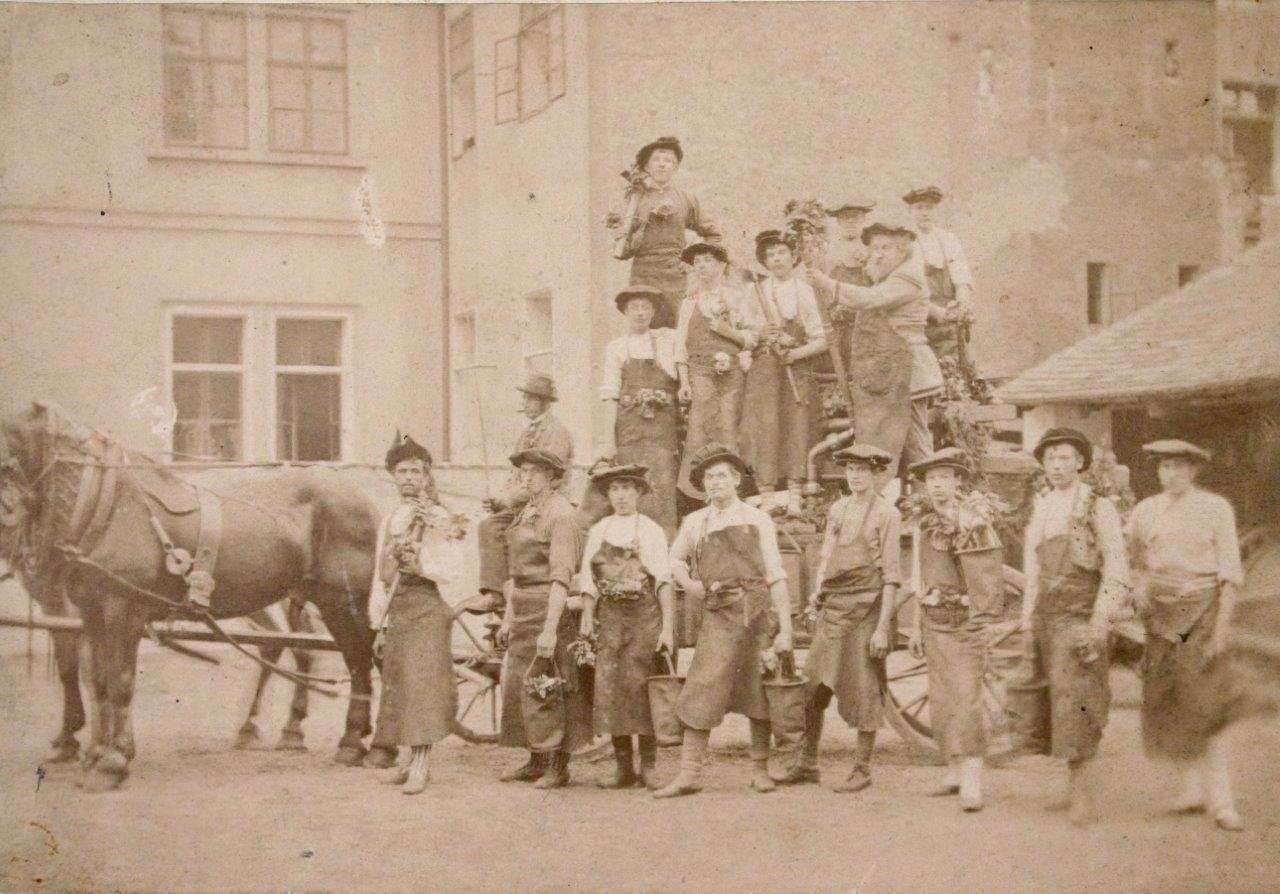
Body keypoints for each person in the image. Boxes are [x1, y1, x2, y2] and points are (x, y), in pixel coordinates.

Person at [654, 443, 794, 798]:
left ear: (736, 480)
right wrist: (690, 584)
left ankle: (759, 770)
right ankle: (689, 773)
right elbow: (674, 561)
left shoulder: (757, 519)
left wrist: (786, 629)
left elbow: (776, 575)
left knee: (758, 692)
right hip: (717, 616)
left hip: (756, 615)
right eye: (708, 477)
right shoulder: (696, 522)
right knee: (701, 688)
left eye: (721, 476)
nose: (714, 483)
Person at [1127, 439, 1247, 832]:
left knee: (1206, 704)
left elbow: (1229, 572)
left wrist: (1220, 629)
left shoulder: (1215, 508)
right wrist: (1140, 588)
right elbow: (1135, 560)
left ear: (1194, 470)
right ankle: (1191, 790)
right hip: (1161, 618)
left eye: (1179, 466)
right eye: (1164, 466)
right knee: (1171, 700)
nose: (1171, 473)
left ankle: (1223, 801)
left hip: (1203, 610)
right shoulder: (1145, 510)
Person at [1016, 428, 1130, 826]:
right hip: (1047, 617)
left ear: (1080, 462)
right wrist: (1027, 619)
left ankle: (1083, 793)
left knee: (1079, 702)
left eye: (1065, 458)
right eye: (1050, 459)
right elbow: (1033, 569)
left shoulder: (1098, 506)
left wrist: (1100, 621)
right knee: (1055, 704)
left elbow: (1116, 567)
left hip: (1081, 617)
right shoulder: (1043, 505)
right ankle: (1071, 788)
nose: (1057, 466)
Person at [773, 444, 900, 793]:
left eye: (863, 470)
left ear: (875, 474)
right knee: (813, 686)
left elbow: (891, 576)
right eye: (850, 469)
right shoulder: (838, 509)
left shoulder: (887, 514)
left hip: (867, 611)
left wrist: (882, 629)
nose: (855, 476)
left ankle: (862, 768)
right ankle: (807, 763)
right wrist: (818, 592)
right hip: (834, 610)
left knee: (863, 689)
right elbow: (827, 557)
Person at [905, 447, 1005, 813]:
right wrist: (916, 627)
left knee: (966, 700)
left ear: (957, 482)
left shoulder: (974, 521)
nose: (937, 485)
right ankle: (953, 771)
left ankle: (973, 779)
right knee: (943, 698)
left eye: (944, 478)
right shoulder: (923, 523)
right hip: (934, 621)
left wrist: (983, 623)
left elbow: (987, 577)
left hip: (964, 622)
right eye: (932, 479)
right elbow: (918, 576)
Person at [808, 219, 940, 479]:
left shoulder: (907, 277)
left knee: (915, 438)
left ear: (902, 249)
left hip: (908, 368)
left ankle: (929, 493)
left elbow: (870, 299)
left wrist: (827, 283)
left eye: (885, 248)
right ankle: (918, 491)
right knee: (902, 437)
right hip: (893, 368)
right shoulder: (893, 275)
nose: (878, 254)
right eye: (875, 248)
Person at [366, 434, 461, 795]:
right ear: (393, 476)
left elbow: (450, 568)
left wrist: (420, 566)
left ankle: (421, 766)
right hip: (398, 610)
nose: (408, 478)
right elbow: (380, 575)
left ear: (426, 476)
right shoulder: (391, 519)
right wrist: (379, 622)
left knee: (421, 687)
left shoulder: (435, 517)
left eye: (415, 472)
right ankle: (407, 762)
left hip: (425, 609)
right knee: (400, 686)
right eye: (402, 471)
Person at [496, 448, 591, 789]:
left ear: (552, 477)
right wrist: (508, 618)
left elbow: (561, 578)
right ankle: (536, 760)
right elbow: (515, 575)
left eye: (535, 472)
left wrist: (550, 630)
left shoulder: (561, 515)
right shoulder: (526, 511)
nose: (527, 477)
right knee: (523, 687)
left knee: (553, 686)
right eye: (523, 471)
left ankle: (559, 766)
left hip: (548, 607)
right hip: (523, 609)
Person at [578, 463, 677, 790]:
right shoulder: (599, 530)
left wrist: (667, 628)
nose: (620, 495)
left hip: (643, 616)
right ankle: (623, 767)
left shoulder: (650, 530)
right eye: (614, 489)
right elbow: (588, 581)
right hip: (610, 618)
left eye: (626, 489)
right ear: (608, 495)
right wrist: (587, 618)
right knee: (612, 689)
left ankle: (648, 766)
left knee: (642, 688)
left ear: (638, 492)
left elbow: (663, 581)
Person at [739, 230, 828, 515]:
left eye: (782, 253)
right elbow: (744, 331)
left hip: (797, 369)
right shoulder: (755, 292)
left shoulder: (806, 291)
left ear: (793, 256)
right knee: (764, 426)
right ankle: (766, 494)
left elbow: (823, 338)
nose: (776, 259)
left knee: (797, 425)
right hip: (765, 369)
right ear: (764, 261)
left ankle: (794, 495)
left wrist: (795, 354)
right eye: (770, 255)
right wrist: (760, 331)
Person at [475, 374, 574, 613]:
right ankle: (496, 592)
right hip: (525, 503)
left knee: (502, 529)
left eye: (530, 398)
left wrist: (509, 499)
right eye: (525, 398)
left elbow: (548, 477)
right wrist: (499, 499)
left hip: (550, 503)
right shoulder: (526, 433)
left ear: (544, 402)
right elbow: (516, 474)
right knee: (488, 526)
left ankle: (506, 593)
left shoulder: (556, 432)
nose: (525, 403)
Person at [591, 286, 682, 537]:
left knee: (662, 494)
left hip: (662, 434)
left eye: (645, 307)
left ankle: (665, 552)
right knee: (630, 493)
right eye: (634, 308)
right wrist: (608, 442)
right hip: (629, 434)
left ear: (653, 311)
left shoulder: (669, 341)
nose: (640, 313)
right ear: (625, 312)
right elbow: (610, 396)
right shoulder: (617, 347)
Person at [609, 136, 723, 329]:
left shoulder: (686, 198)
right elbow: (623, 252)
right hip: (643, 274)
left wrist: (694, 263)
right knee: (645, 331)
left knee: (679, 329)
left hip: (676, 275)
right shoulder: (634, 199)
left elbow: (713, 233)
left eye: (668, 160)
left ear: (676, 167)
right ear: (647, 166)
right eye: (657, 159)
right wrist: (619, 235)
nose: (662, 164)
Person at [675, 241, 756, 501]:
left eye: (708, 260)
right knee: (699, 430)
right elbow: (680, 346)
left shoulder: (736, 298)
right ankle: (697, 497)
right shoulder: (689, 303)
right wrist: (684, 382)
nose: (701, 266)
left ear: (721, 265)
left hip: (731, 374)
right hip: (699, 372)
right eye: (697, 262)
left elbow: (751, 338)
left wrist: (728, 332)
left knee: (728, 429)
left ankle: (732, 495)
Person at [903, 185, 975, 367]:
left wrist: (962, 306)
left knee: (960, 367)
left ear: (935, 210)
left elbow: (962, 280)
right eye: (919, 208)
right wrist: (933, 311)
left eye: (929, 208)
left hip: (949, 319)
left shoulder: (948, 239)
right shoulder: (905, 243)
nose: (924, 213)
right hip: (919, 319)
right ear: (910, 211)